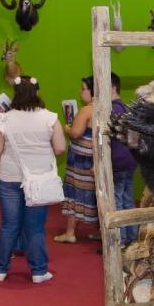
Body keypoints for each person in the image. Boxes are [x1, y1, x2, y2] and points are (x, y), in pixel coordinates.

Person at [0, 75, 65, 283]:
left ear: (15, 94)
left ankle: (0, 270)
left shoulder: (3, 119)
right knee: (35, 227)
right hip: (39, 179)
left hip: (9, 177)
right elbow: (60, 148)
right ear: (36, 92)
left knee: (9, 225)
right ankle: (39, 271)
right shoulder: (50, 117)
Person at [55, 76, 97, 243]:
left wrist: (67, 128)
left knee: (76, 194)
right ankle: (100, 231)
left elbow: (75, 133)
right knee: (96, 195)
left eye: (83, 88)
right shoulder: (106, 107)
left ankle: (70, 232)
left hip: (81, 160)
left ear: (92, 91)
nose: (81, 92)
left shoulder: (87, 110)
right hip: (94, 159)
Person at [110, 72, 139, 245]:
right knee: (128, 200)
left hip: (118, 160)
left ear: (113, 88)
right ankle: (132, 238)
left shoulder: (113, 108)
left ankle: (119, 240)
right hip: (129, 159)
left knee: (117, 202)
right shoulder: (124, 106)